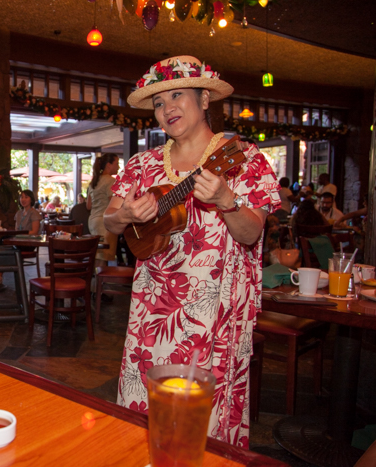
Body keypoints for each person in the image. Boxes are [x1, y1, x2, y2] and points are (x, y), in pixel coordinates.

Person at [103, 55, 279, 448]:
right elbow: (109, 224)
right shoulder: (141, 165)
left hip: (213, 314)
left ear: (205, 100)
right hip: (152, 313)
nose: (167, 110)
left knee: (202, 426)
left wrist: (226, 200)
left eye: (177, 96)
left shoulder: (245, 160)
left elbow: (251, 234)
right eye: (159, 103)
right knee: (146, 419)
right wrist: (126, 214)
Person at [0, 190, 42, 287]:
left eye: (26, 197)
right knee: (4, 241)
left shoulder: (34, 213)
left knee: (7, 247)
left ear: (31, 199)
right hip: (18, 240)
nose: (23, 199)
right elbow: (16, 230)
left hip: (29, 243)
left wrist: (21, 235)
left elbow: (34, 232)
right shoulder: (19, 213)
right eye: (21, 197)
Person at [87, 153, 120, 268]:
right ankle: (100, 285)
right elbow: (114, 204)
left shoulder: (94, 182)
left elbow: (88, 206)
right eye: (117, 163)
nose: (119, 167)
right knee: (103, 260)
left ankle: (96, 284)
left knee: (97, 257)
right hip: (105, 223)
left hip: (93, 222)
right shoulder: (111, 181)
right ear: (108, 165)